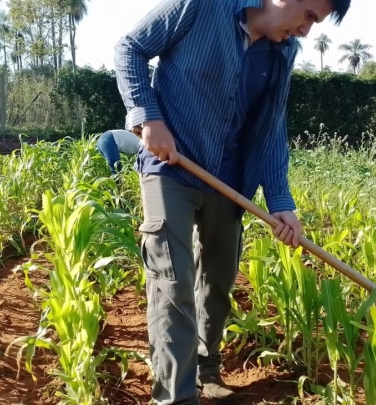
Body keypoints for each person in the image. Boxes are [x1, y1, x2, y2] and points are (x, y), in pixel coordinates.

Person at [113, 0, 351, 404]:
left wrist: (280, 200)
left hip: (231, 180)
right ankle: (176, 396)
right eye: (309, 16)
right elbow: (130, 47)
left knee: (219, 281)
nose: (307, 31)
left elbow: (272, 124)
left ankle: (207, 369)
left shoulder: (283, 52)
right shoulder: (202, 6)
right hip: (170, 166)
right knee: (173, 282)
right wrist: (148, 116)